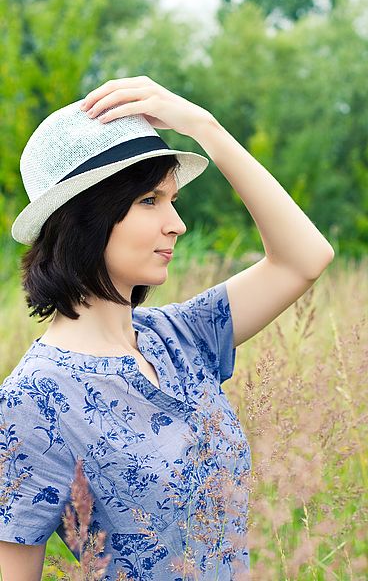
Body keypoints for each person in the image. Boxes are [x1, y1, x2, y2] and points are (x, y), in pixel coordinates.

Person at [0, 75, 335, 581]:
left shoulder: (181, 336)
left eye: (171, 200)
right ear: (85, 218)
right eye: (151, 201)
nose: (176, 223)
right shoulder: (35, 399)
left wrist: (207, 129)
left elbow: (305, 259)